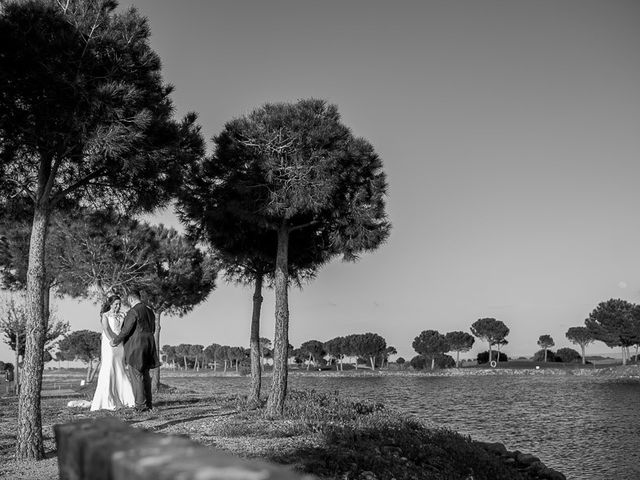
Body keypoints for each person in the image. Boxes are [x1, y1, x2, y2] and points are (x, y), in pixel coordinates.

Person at [111, 289, 160, 412]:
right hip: (149, 345)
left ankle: (140, 406)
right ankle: (148, 404)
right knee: (146, 376)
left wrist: (115, 341)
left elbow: (126, 330)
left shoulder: (133, 311)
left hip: (136, 346)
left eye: (129, 302)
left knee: (136, 375)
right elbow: (153, 328)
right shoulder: (150, 311)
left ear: (131, 299)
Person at [90, 295, 136, 411]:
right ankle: (107, 399)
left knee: (120, 367)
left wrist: (120, 340)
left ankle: (127, 399)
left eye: (119, 304)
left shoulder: (122, 315)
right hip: (109, 343)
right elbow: (106, 329)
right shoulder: (105, 315)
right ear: (111, 304)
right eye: (116, 304)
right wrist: (113, 340)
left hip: (120, 344)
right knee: (109, 367)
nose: (118, 306)